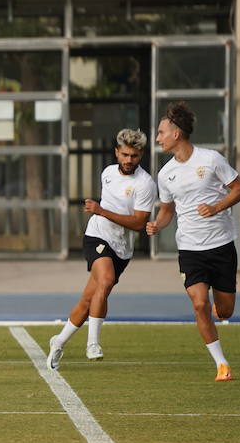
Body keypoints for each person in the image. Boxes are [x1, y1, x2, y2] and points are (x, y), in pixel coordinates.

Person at [145, 102, 240, 382]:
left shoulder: (211, 159)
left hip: (222, 245)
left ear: (176, 134)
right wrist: (157, 224)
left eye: (161, 132)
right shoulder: (165, 174)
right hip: (190, 249)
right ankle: (221, 364)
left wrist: (217, 207)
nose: (157, 138)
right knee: (199, 304)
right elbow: (167, 210)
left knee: (224, 312)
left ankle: (217, 311)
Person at [46, 129, 157, 370]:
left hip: (122, 248)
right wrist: (100, 214)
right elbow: (106, 211)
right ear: (117, 152)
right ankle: (93, 343)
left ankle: (59, 341)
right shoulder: (107, 173)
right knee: (105, 280)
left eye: (135, 156)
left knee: (89, 299)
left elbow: (138, 223)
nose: (129, 160)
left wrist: (101, 210)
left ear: (141, 156)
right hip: (96, 235)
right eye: (125, 154)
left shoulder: (146, 183)